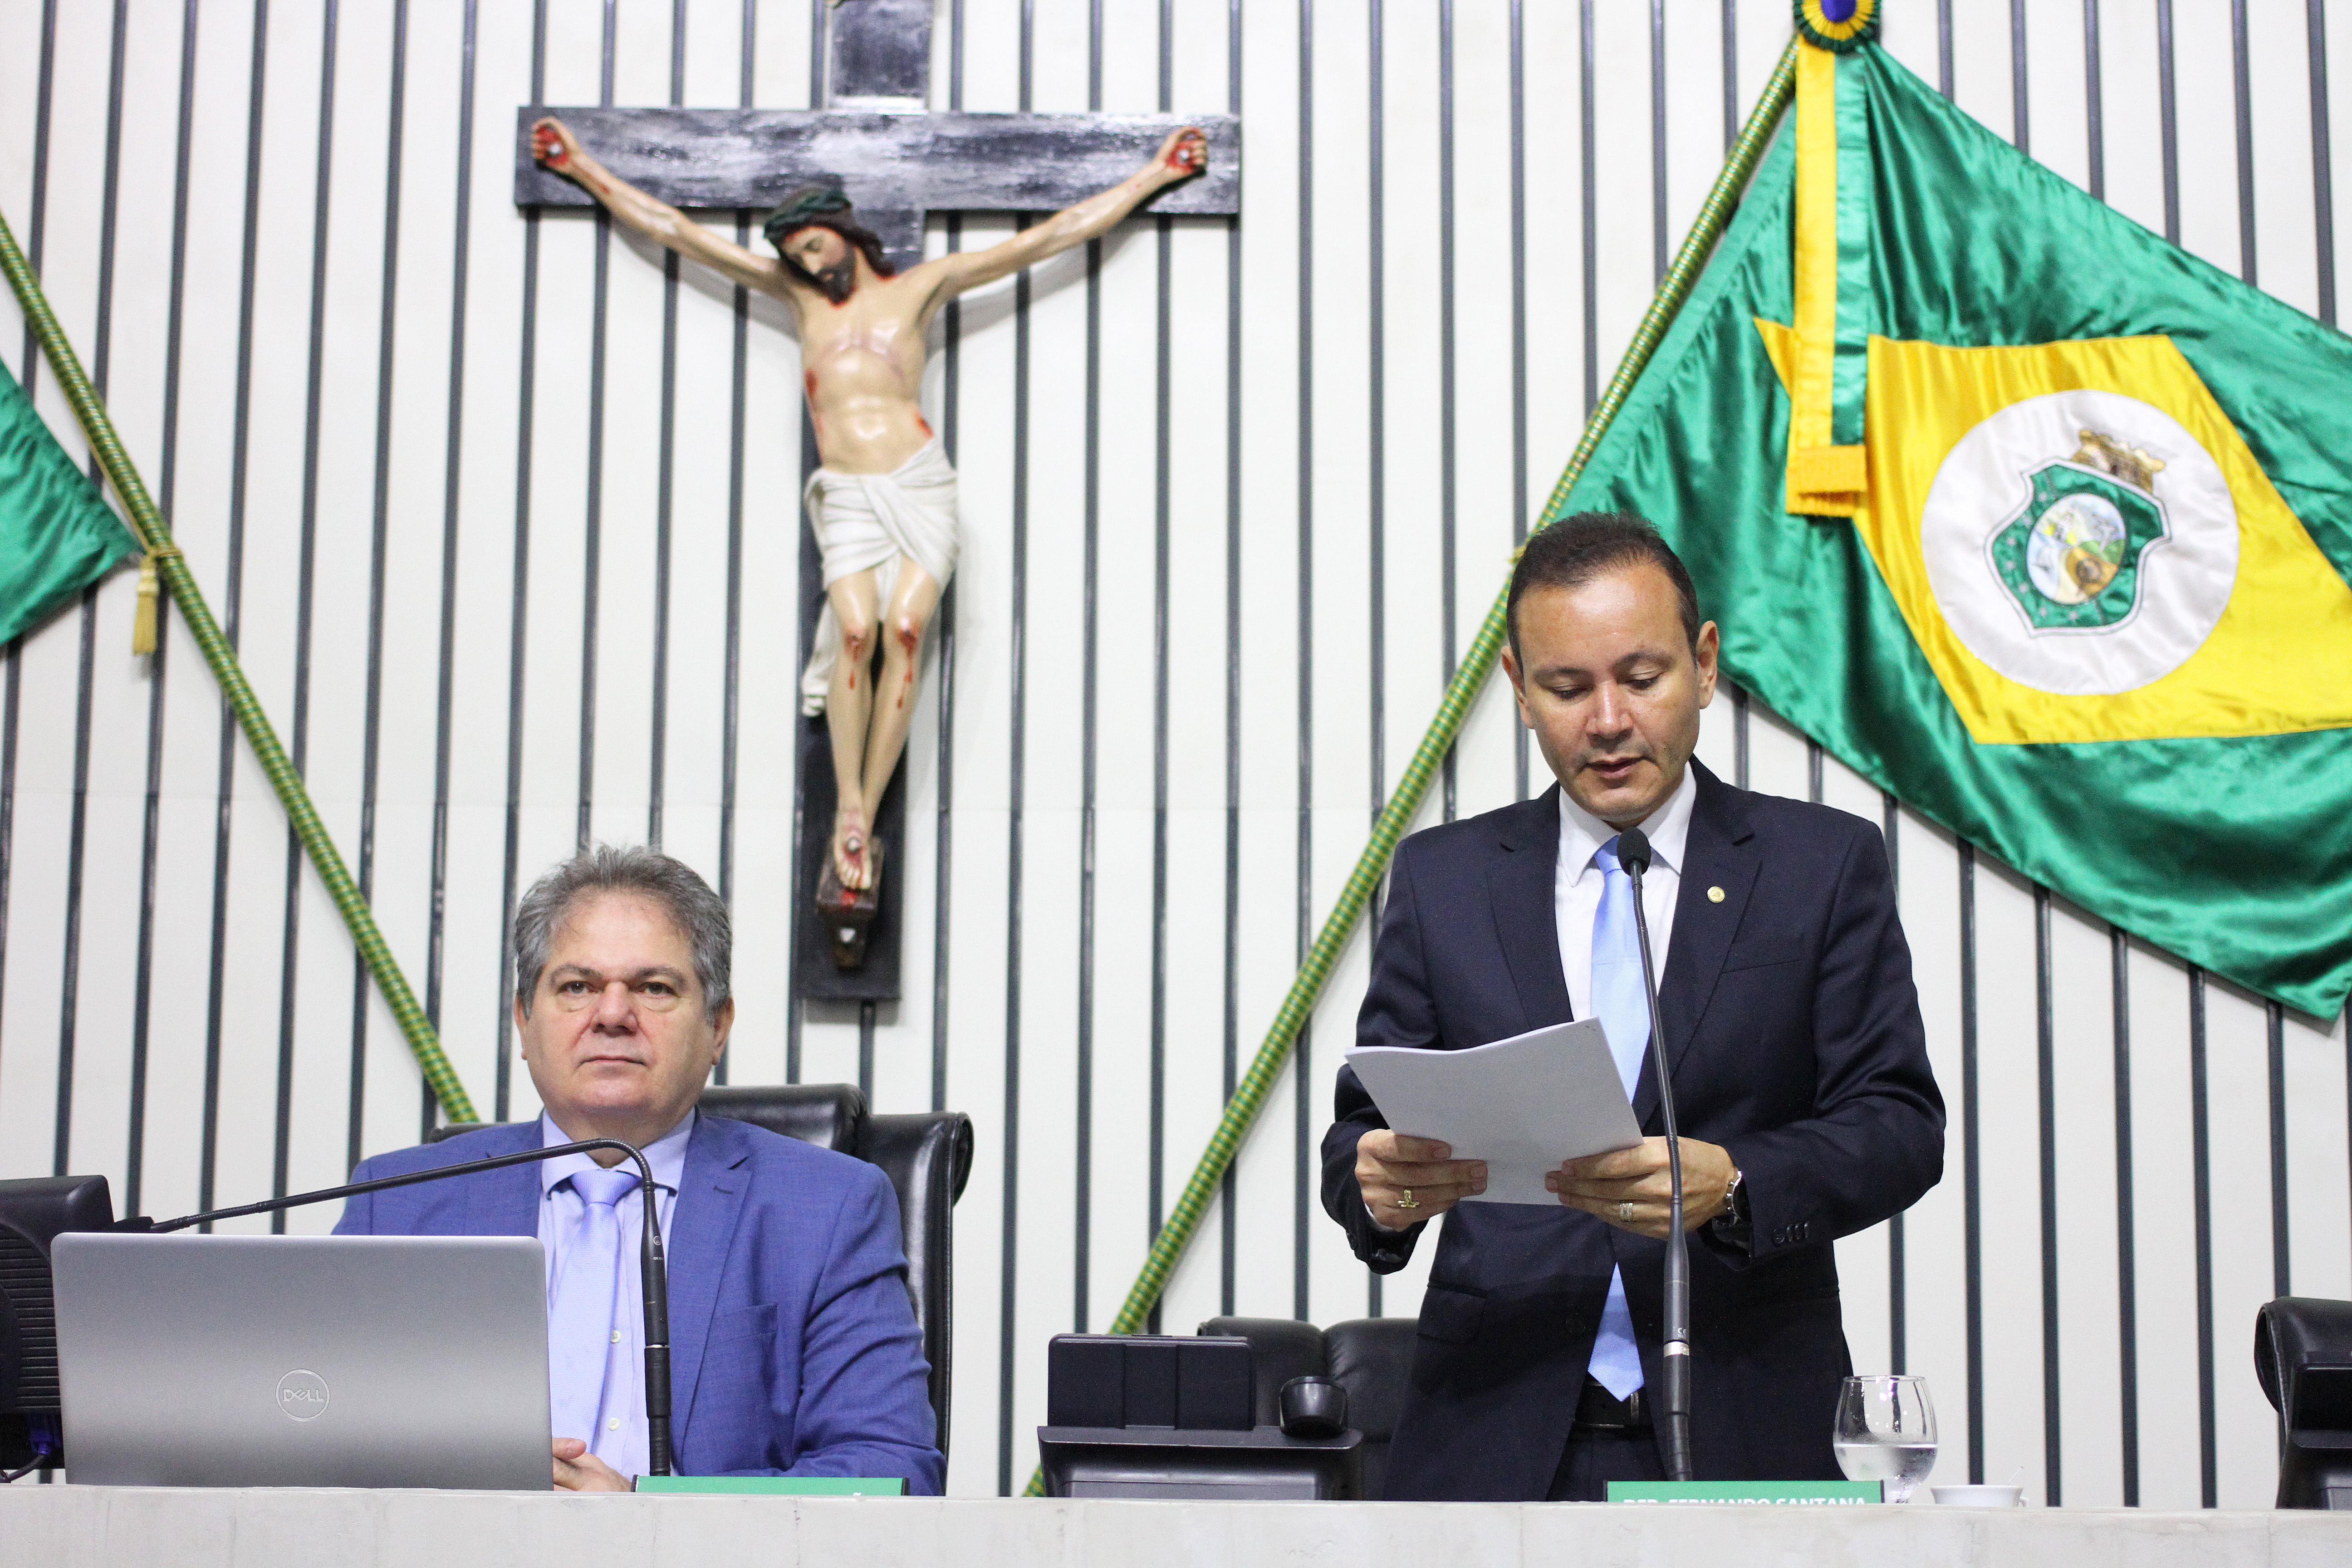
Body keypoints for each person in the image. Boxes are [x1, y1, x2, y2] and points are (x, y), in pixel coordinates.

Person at [1321, 513, 1945, 1501]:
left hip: (1745, 1417)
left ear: (1703, 665)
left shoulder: (1818, 867)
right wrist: (1378, 1190)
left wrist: (1739, 1183)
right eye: (1567, 689)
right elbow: (1367, 1126)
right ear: (1521, 693)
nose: (1607, 720)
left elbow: (1901, 1127)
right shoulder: (1445, 879)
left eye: (1640, 678)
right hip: (1493, 1434)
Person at [529, 116, 1208, 938]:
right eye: (796, 255)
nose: (807, 263)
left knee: (908, 629)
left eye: (816, 245)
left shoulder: (918, 289)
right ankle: (852, 805)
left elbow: (1049, 237)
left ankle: (867, 809)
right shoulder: (795, 297)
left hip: (919, 482)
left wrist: (1155, 176)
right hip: (849, 492)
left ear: (846, 232)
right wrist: (583, 169)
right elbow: (679, 231)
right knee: (855, 633)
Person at [335, 845, 942, 1493]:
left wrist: (649, 1518)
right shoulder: (398, 1206)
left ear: (718, 1027)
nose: (614, 1015)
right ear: (523, 1019)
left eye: (655, 988)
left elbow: (890, 1469)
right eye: (577, 987)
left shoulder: (828, 1211)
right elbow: (313, 1442)